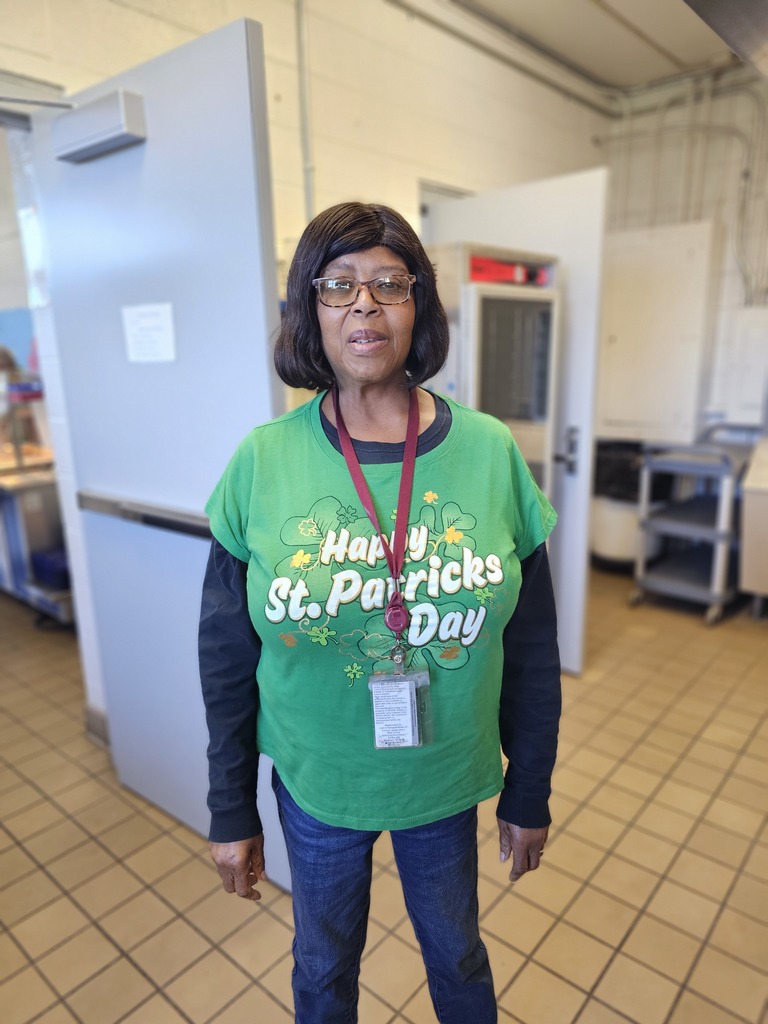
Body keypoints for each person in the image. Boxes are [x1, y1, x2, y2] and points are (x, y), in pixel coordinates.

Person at [199, 201, 561, 1023]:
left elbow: (532, 645)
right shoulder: (261, 460)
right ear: (309, 310)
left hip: (443, 776)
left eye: (389, 284)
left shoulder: (491, 450)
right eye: (338, 286)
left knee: (459, 956)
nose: (364, 304)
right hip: (319, 781)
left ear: (419, 307)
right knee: (323, 968)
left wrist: (529, 787)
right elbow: (224, 654)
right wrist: (231, 806)